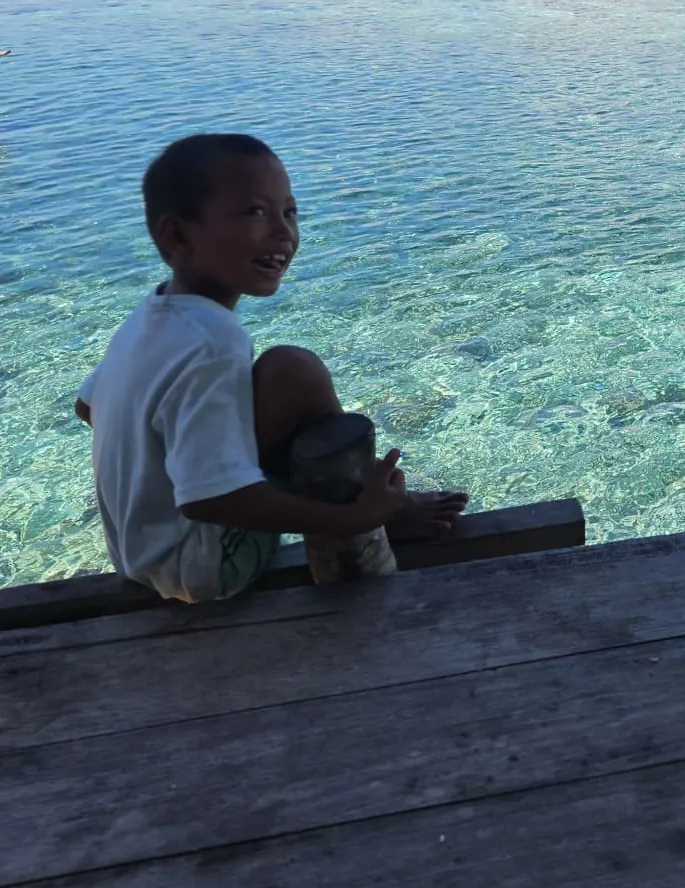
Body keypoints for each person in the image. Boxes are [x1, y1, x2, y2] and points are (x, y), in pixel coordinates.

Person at [75, 133, 464, 603]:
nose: (284, 233)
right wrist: (353, 519)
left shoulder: (153, 316)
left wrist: (165, 457)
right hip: (203, 567)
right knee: (295, 373)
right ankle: (378, 518)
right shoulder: (214, 341)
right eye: (256, 212)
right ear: (177, 234)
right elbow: (210, 499)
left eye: (290, 211)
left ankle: (378, 510)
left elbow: (88, 406)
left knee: (283, 373)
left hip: (142, 552)